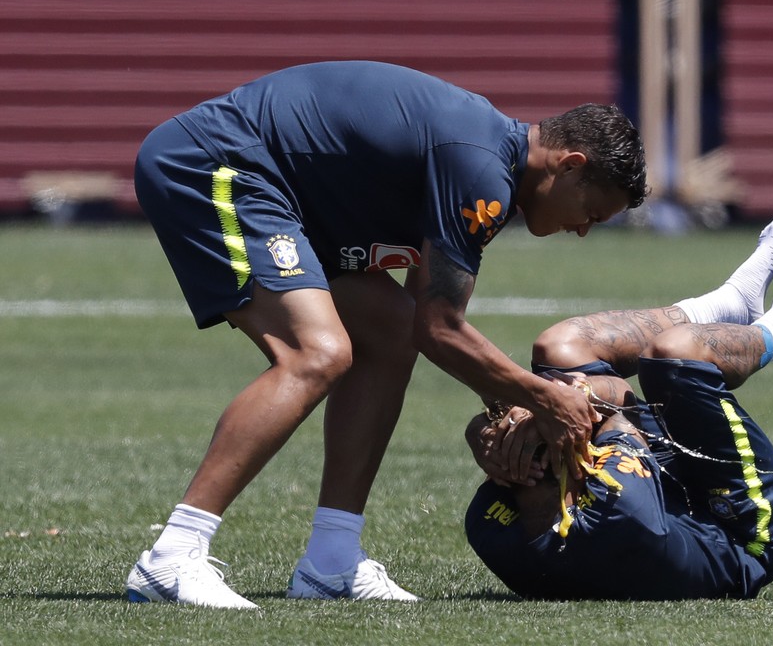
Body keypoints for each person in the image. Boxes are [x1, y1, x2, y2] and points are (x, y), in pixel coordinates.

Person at [124, 60, 648, 609]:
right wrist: (540, 397)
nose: (584, 230)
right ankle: (174, 554)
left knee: (391, 332)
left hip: (286, 196)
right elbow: (442, 328)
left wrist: (508, 407)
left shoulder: (486, 164)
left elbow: (425, 319)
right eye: (592, 211)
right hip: (218, 165)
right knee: (316, 353)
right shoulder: (480, 171)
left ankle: (331, 559)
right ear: (569, 165)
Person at [465, 215, 773, 600]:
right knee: (672, 358)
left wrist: (483, 429)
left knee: (557, 349)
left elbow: (504, 432)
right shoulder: (617, 507)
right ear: (568, 457)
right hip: (742, 527)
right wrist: (564, 401)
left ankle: (731, 303)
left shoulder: (492, 523)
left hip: (664, 493)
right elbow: (619, 399)